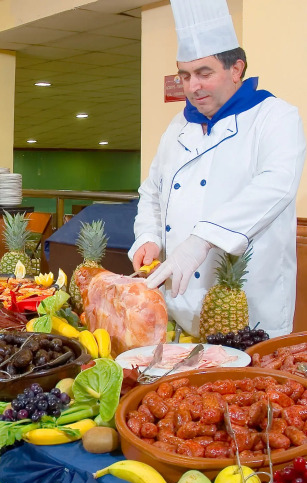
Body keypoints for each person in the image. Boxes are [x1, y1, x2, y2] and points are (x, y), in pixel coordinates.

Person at [129, 0, 306, 338]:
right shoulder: (178, 125)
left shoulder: (275, 117)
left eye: (204, 73)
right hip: (178, 306)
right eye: (185, 75)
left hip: (248, 307)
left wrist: (202, 240)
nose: (192, 87)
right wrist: (148, 236)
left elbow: (276, 186)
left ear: (236, 69)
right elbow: (152, 191)